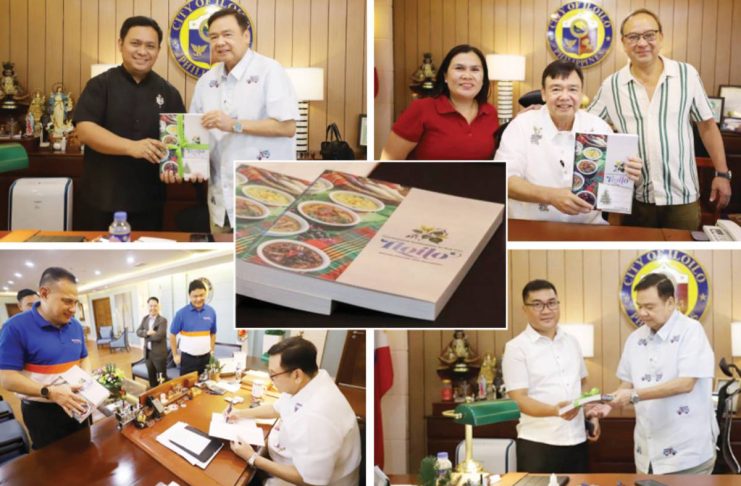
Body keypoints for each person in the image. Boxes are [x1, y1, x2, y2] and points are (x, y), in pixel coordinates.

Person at [587, 8, 731, 230]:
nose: (642, 43)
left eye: (649, 35)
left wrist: (722, 173)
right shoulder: (611, 85)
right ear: (623, 43)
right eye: (633, 37)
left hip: (682, 195)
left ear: (661, 37)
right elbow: (586, 127)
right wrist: (542, 110)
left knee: (684, 255)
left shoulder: (686, 74)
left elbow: (707, 126)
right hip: (635, 197)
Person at [165, 8, 298, 234]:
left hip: (265, 196)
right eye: (214, 37)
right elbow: (193, 135)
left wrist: (234, 124)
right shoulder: (206, 81)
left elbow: (288, 127)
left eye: (227, 34)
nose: (220, 42)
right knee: (226, 264)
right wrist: (179, 164)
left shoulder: (270, 71)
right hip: (221, 199)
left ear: (246, 36)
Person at [73, 16, 185, 231]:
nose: (143, 51)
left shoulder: (169, 93)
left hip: (149, 202)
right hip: (101, 199)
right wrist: (132, 147)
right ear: (120, 44)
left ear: (158, 50)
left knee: (145, 264)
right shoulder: (100, 85)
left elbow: (178, 142)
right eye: (135, 43)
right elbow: (85, 130)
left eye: (150, 46)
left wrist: (176, 167)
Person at [497, 60, 642, 224]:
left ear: (581, 95)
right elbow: (503, 179)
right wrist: (551, 196)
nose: (565, 97)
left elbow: (614, 188)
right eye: (556, 89)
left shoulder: (598, 127)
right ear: (544, 93)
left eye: (573, 89)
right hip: (531, 225)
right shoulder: (522, 125)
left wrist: (628, 173)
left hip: (587, 227)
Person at [607, 272, 717, 474]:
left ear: (670, 302)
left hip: (687, 454)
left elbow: (685, 383)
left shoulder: (691, 331)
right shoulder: (634, 339)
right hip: (647, 453)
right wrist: (607, 406)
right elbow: (626, 383)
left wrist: (633, 395)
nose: (642, 313)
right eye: (639, 306)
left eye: (650, 307)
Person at [227, 337, 361, 486]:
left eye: (273, 375)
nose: (271, 380)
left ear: (296, 375)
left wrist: (252, 457)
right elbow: (275, 408)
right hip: (293, 460)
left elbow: (309, 480)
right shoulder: (312, 380)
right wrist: (240, 413)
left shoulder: (317, 417)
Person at [502, 279, 602, 473]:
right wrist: (555, 410)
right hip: (538, 444)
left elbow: (579, 385)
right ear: (525, 309)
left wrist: (590, 415)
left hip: (577, 440)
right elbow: (519, 400)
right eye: (537, 304)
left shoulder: (572, 341)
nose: (546, 310)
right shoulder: (516, 348)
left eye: (552, 302)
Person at [0, 267, 91, 449]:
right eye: (67, 301)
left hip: (77, 403)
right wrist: (51, 392)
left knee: (84, 450)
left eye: (75, 302)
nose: (73, 309)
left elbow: (84, 357)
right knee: (52, 464)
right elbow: (6, 377)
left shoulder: (75, 326)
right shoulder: (15, 327)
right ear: (44, 294)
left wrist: (87, 382)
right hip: (42, 412)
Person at [381, 44, 499, 160]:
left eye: (475, 69)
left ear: (483, 78)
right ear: (445, 76)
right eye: (459, 68)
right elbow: (389, 159)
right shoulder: (422, 108)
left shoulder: (490, 112)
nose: (467, 76)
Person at [169, 279, 216, 376]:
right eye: (195, 296)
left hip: (206, 359)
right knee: (187, 388)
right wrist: (175, 355)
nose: (198, 299)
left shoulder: (211, 312)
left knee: (205, 386)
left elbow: (213, 333)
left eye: (201, 295)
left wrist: (212, 350)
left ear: (205, 294)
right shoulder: (181, 313)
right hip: (188, 360)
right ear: (189, 296)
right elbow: (172, 334)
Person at [135, 296, 168, 387]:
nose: (153, 308)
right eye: (151, 306)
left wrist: (145, 336)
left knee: (161, 378)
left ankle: (162, 395)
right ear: (148, 307)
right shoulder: (145, 319)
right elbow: (138, 332)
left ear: (158, 307)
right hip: (148, 354)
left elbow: (159, 336)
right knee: (151, 377)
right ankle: (153, 394)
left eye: (155, 306)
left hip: (159, 355)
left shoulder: (162, 320)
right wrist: (148, 333)